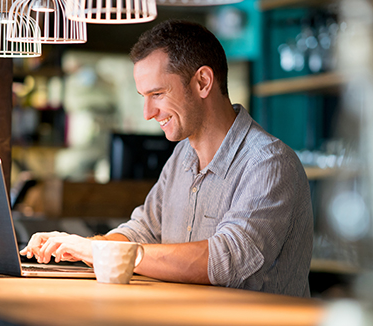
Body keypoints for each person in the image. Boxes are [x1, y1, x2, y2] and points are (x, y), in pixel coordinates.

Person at [20, 20, 314, 297]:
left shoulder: (269, 163)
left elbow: (228, 260)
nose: (148, 113)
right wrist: (80, 246)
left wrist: (99, 252)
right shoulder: (182, 156)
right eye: (143, 96)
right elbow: (144, 230)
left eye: (157, 94)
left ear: (202, 82)